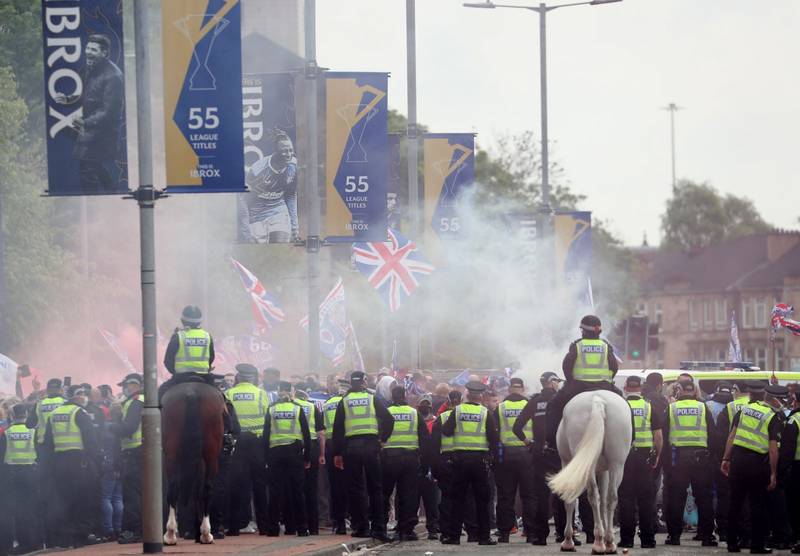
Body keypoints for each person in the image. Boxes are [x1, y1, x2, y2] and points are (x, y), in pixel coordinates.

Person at [54, 34, 125, 192]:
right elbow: (85, 94)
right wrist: (68, 99)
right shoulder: (90, 68)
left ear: (104, 53)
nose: (88, 52)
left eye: (93, 49)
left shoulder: (114, 76)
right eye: (87, 48)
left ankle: (97, 200)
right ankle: (112, 191)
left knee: (88, 169)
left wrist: (85, 122)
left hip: (103, 133)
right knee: (93, 165)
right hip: (90, 130)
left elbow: (110, 112)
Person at [332, 370, 394, 541]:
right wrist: (383, 439)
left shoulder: (344, 401)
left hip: (352, 448)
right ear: (364, 382)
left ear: (352, 383)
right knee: (376, 489)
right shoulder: (372, 398)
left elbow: (337, 429)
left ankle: (361, 527)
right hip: (372, 447)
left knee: (356, 489)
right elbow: (389, 419)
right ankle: (379, 529)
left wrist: (337, 453)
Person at [721, 381, 781, 554]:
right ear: (766, 396)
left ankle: (732, 543)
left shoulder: (743, 411)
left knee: (735, 503)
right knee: (757, 505)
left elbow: (731, 436)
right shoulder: (771, 416)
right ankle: (757, 545)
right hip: (757, 464)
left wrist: (726, 458)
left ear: (750, 395)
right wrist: (773, 473)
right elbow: (772, 448)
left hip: (738, 461)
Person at [545, 315, 621, 450]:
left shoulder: (577, 345)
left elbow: (566, 366)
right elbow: (614, 367)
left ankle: (551, 442)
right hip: (604, 385)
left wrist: (571, 381)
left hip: (578, 386)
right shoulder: (605, 346)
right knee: (624, 404)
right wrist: (607, 379)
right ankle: (632, 438)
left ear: (583, 331)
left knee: (553, 406)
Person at [441, 381, 499, 546]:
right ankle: (484, 537)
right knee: (482, 500)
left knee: (457, 499)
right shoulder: (485, 412)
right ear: (480, 396)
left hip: (460, 461)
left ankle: (453, 537)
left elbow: (445, 431)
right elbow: (494, 439)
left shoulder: (457, 411)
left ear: (467, 395)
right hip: (479, 462)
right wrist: (493, 458)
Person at [44, 385, 99, 548]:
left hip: (60, 463)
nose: (83, 397)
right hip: (79, 462)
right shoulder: (80, 413)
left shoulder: (53, 415)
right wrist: (94, 461)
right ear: (73, 397)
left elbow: (48, 443)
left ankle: (65, 539)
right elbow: (91, 441)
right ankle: (81, 538)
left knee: (63, 501)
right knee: (82, 499)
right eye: (80, 394)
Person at [663, 381, 716, 546]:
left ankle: (674, 536)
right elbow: (712, 434)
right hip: (701, 458)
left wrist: (666, 464)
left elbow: (664, 436)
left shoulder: (671, 408)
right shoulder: (703, 408)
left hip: (677, 458)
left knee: (676, 498)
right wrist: (711, 457)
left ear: (679, 392)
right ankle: (707, 537)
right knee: (704, 498)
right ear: (694, 392)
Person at [618, 375, 663, 549]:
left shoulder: (620, 407)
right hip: (645, 458)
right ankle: (647, 540)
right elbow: (658, 436)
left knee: (626, 498)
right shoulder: (648, 407)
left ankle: (627, 539)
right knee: (646, 499)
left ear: (626, 388)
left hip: (625, 457)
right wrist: (657, 456)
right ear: (641, 388)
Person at [224, 364, 269, 536]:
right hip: (257, 444)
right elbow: (267, 418)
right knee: (259, 486)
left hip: (237, 444)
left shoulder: (229, 394)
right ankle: (264, 526)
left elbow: (226, 419)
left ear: (238, 378)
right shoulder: (261, 394)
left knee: (236, 486)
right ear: (253, 378)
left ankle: (234, 526)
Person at [263, 381, 311, 536]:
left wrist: (266, 458)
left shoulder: (272, 409)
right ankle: (302, 528)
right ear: (290, 392)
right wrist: (307, 456)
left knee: (275, 491)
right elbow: (307, 434)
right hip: (294, 453)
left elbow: (266, 435)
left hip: (275, 454)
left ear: (278, 391)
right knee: (297, 491)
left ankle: (272, 529)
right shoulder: (297, 408)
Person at [382, 385, 428, 541]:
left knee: (385, 493)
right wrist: (425, 463)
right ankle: (407, 529)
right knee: (408, 494)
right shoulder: (414, 414)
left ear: (392, 396)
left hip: (388, 458)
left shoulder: (386, 412)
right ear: (405, 395)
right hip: (410, 459)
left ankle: (381, 526)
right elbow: (424, 439)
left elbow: (380, 434)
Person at [494, 377, 535, 544]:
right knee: (529, 495)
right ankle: (530, 532)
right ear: (523, 389)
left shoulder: (500, 407)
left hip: (506, 456)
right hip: (528, 454)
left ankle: (504, 533)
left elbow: (494, 432)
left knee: (505, 496)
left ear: (509, 389)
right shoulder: (530, 406)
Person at [242, 130, 299, 243]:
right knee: (263, 254)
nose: (288, 154)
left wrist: (294, 226)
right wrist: (245, 228)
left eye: (290, 150)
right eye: (284, 151)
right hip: (256, 215)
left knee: (279, 245)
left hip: (278, 211)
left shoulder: (293, 166)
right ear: (275, 151)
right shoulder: (258, 170)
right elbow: (244, 200)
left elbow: (290, 195)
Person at [0, 404, 42, 553]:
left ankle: (17, 544)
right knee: (31, 510)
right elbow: (40, 454)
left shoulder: (6, 433)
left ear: (12, 415)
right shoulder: (33, 432)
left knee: (15, 511)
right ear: (26, 414)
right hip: (31, 474)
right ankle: (33, 542)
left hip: (12, 475)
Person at [108, 373, 144, 544]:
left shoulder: (136, 402)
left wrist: (111, 426)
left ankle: (134, 531)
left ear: (134, 385)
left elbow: (129, 428)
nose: (124, 389)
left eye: (126, 385)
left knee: (132, 494)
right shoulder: (145, 400)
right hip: (144, 451)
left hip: (135, 453)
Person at [160, 306, 216, 398]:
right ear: (199, 321)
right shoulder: (207, 336)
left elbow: (168, 360)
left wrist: (174, 372)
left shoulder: (178, 336)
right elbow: (211, 357)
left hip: (180, 377)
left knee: (160, 395)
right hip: (204, 377)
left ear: (183, 321)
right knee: (224, 399)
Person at [294, 387, 326, 535]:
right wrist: (321, 454)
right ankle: (313, 527)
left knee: (294, 489)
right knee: (311, 489)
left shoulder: (291, 407)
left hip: (294, 448)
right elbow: (321, 434)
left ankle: (297, 525)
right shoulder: (312, 407)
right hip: (312, 448)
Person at [764, 384, 792, 550]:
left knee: (777, 502)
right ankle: (780, 535)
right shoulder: (777, 415)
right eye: (781, 400)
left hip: (777, 463)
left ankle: (782, 535)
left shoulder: (780, 415)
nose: (783, 403)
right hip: (775, 462)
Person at [322, 379, 349, 534]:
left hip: (331, 446)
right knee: (351, 483)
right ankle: (349, 517)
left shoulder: (327, 404)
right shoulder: (347, 403)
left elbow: (324, 428)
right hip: (347, 444)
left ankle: (337, 521)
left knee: (334, 485)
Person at [417, 394, 441, 540]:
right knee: (412, 497)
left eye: (427, 404)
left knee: (431, 498)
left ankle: (433, 527)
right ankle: (405, 527)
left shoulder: (436, 422)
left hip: (430, 463)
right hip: (415, 461)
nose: (425, 407)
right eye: (423, 404)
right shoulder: (415, 419)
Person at [782, 392, 800, 553]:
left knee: (794, 505)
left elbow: (787, 449)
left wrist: (780, 470)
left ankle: (797, 538)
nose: (791, 403)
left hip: (796, 469)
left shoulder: (794, 420)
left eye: (793, 400)